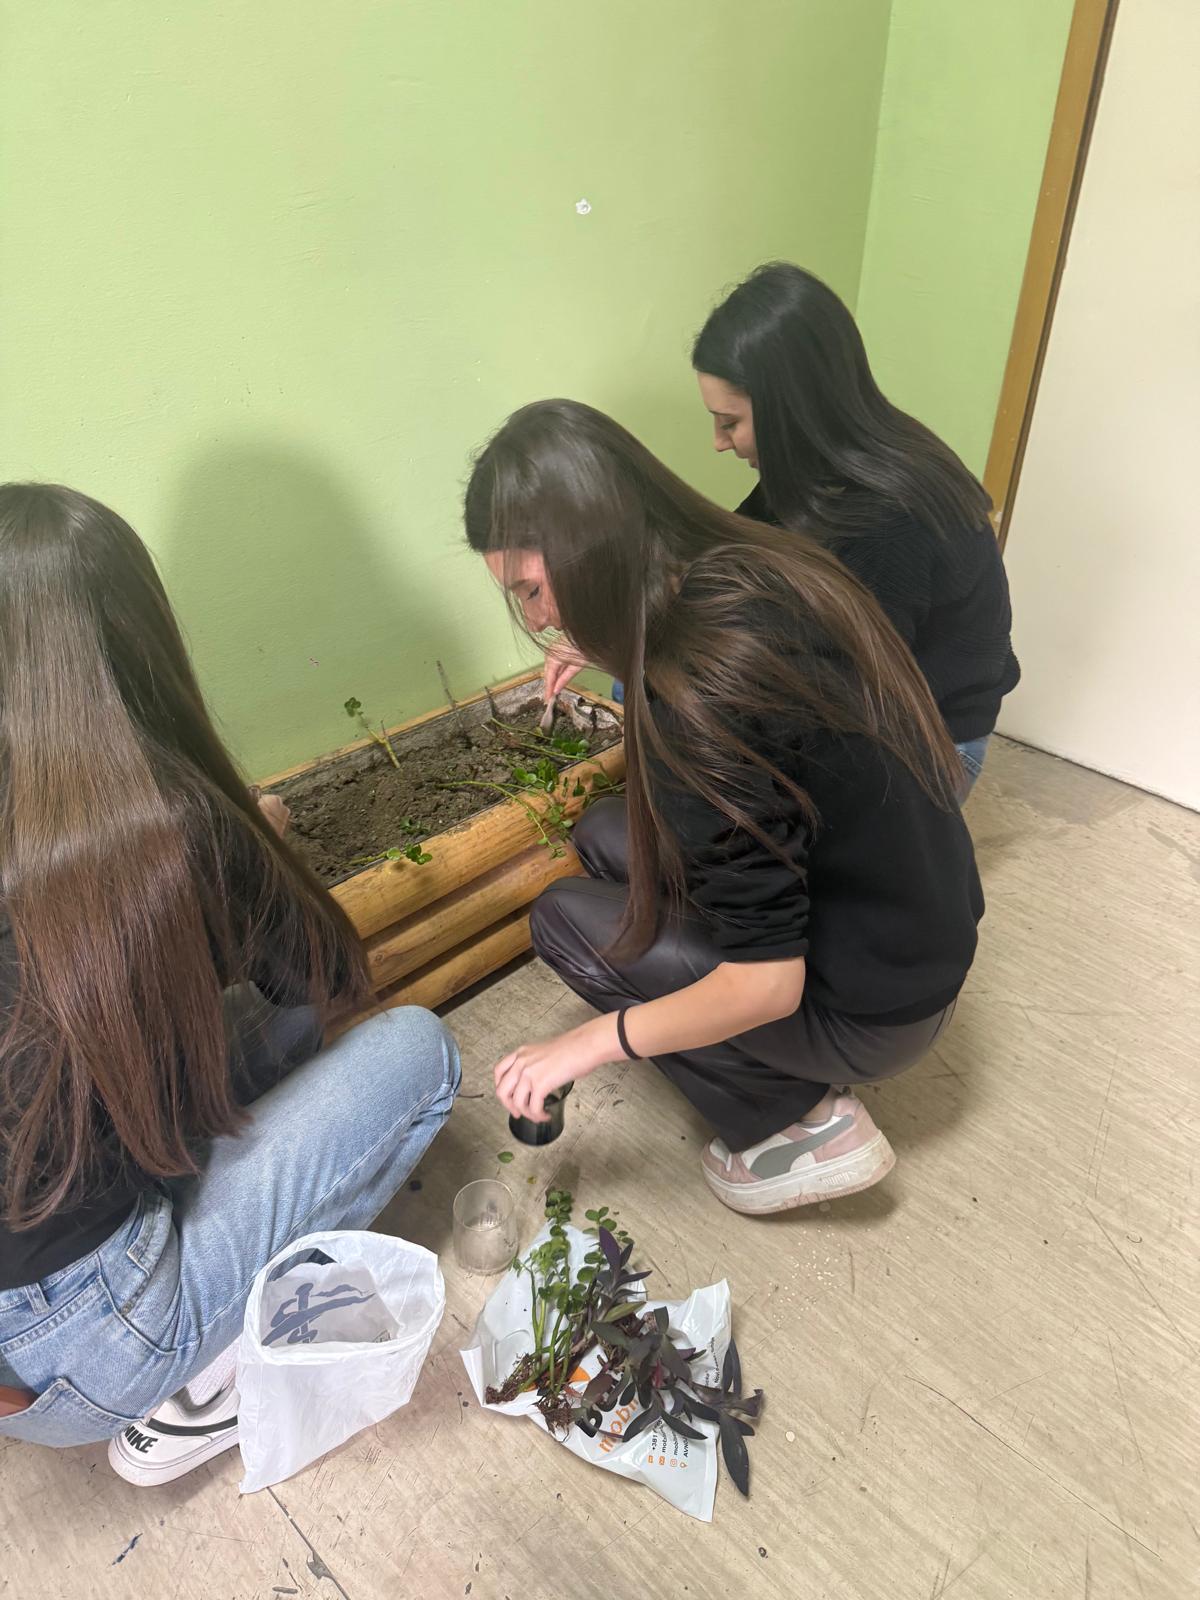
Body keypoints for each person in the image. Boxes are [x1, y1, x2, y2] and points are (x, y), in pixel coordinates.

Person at [0, 485, 459, 1480]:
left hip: (13, 1349)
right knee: (418, 1051)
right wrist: (257, 844)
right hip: (98, 1343)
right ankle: (205, 1386)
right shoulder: (165, 824)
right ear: (131, 640)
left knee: (279, 1036)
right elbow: (326, 972)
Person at [466, 400, 982, 1216]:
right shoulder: (756, 563)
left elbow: (766, 986)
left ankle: (800, 1125)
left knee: (564, 919)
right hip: (920, 923)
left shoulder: (701, 703)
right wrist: (607, 642)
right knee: (604, 831)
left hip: (880, 1008)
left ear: (591, 545)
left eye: (534, 589)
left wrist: (586, 1046)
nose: (537, 618)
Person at [546, 264, 1018, 792]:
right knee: (642, 685)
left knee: (674, 704)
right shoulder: (815, 461)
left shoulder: (890, 517)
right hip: (852, 685)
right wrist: (613, 626)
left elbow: (847, 699)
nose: (718, 443)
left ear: (792, 409)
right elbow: (723, 552)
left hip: (929, 744)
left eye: (730, 422)